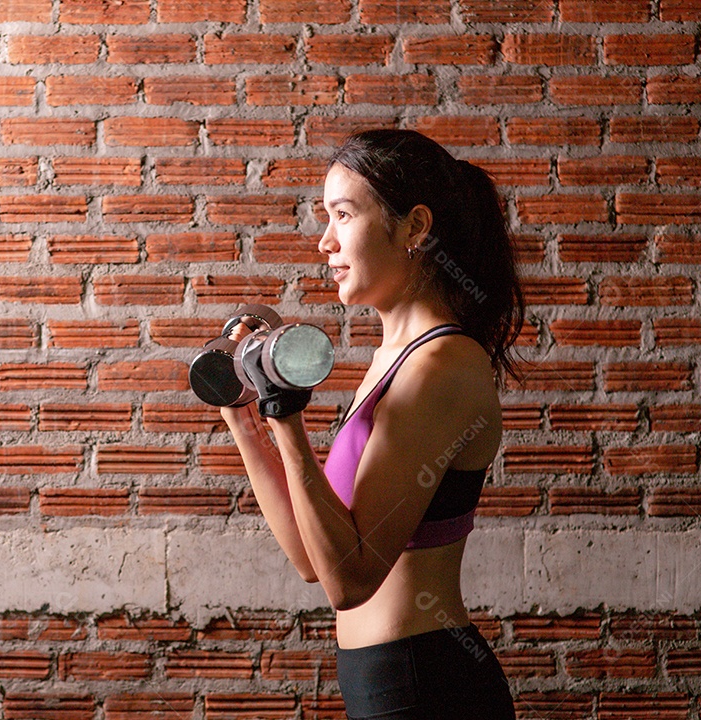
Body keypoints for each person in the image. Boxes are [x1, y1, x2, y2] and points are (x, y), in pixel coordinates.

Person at [221, 129, 523, 719]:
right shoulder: (394, 360)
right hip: (383, 680)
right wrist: (245, 412)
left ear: (414, 228)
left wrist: (286, 416)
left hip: (426, 685)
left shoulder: (439, 367)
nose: (324, 242)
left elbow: (351, 581)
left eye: (343, 214)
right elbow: (314, 560)